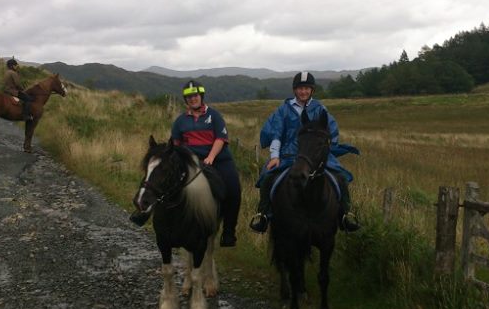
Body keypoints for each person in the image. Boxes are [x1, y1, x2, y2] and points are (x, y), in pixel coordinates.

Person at [130, 80, 242, 248]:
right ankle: (144, 212)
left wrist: (211, 157)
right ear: (186, 100)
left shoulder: (214, 116)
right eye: (189, 97)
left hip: (217, 158)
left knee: (234, 189)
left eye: (195, 96)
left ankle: (228, 232)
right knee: (163, 182)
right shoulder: (180, 121)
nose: (192, 99)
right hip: (190, 159)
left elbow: (220, 139)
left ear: (201, 96)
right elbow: (175, 144)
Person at [249, 71, 360, 233]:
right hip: (288, 155)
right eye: (300, 88)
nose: (303, 92)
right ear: (295, 90)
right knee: (267, 178)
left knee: (341, 177)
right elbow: (276, 133)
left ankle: (345, 215)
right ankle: (264, 215)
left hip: (315, 156)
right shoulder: (284, 110)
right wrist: (274, 156)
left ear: (312, 90)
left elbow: (330, 132)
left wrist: (324, 151)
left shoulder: (320, 110)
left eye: (307, 88)